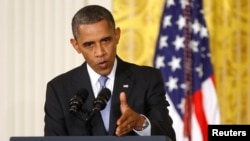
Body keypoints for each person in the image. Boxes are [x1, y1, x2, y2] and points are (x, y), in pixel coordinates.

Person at [44, 5, 176, 141]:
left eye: (105, 40)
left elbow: (168, 136)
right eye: (89, 44)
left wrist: (139, 123)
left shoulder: (147, 79)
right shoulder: (59, 89)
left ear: (117, 35)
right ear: (76, 45)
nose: (100, 52)